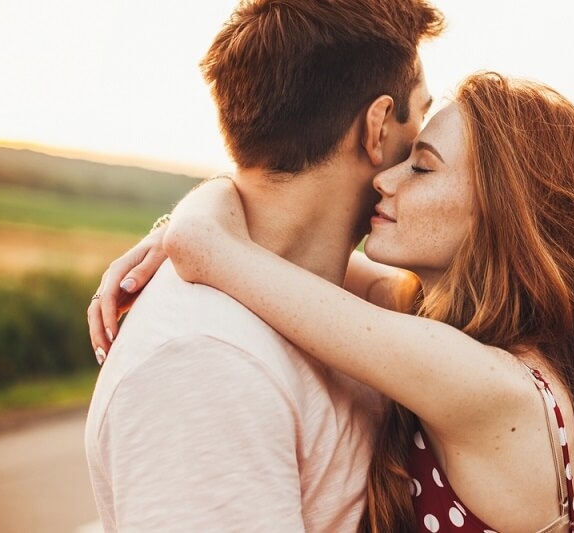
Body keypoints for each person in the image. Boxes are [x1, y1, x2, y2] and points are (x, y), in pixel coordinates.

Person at [92, 74, 574, 531]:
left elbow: (209, 250)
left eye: (422, 165)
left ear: (500, 213)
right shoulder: (460, 338)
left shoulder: (481, 381)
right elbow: (276, 257)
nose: (386, 178)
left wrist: (183, 229)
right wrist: (195, 219)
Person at [84, 0, 443, 530]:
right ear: (379, 125)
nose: (419, 150)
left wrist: (193, 223)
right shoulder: (206, 364)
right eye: (422, 115)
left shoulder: (337, 301)